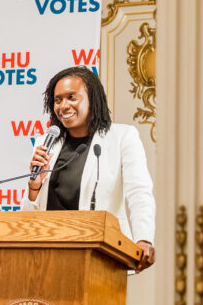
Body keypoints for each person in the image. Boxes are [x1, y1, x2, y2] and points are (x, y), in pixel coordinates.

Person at [23, 66, 156, 272]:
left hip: (102, 257)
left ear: (92, 99)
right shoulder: (46, 142)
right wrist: (34, 187)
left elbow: (139, 192)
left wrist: (144, 238)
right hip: (47, 257)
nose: (63, 106)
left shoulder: (122, 137)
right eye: (57, 100)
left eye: (71, 97)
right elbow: (29, 215)